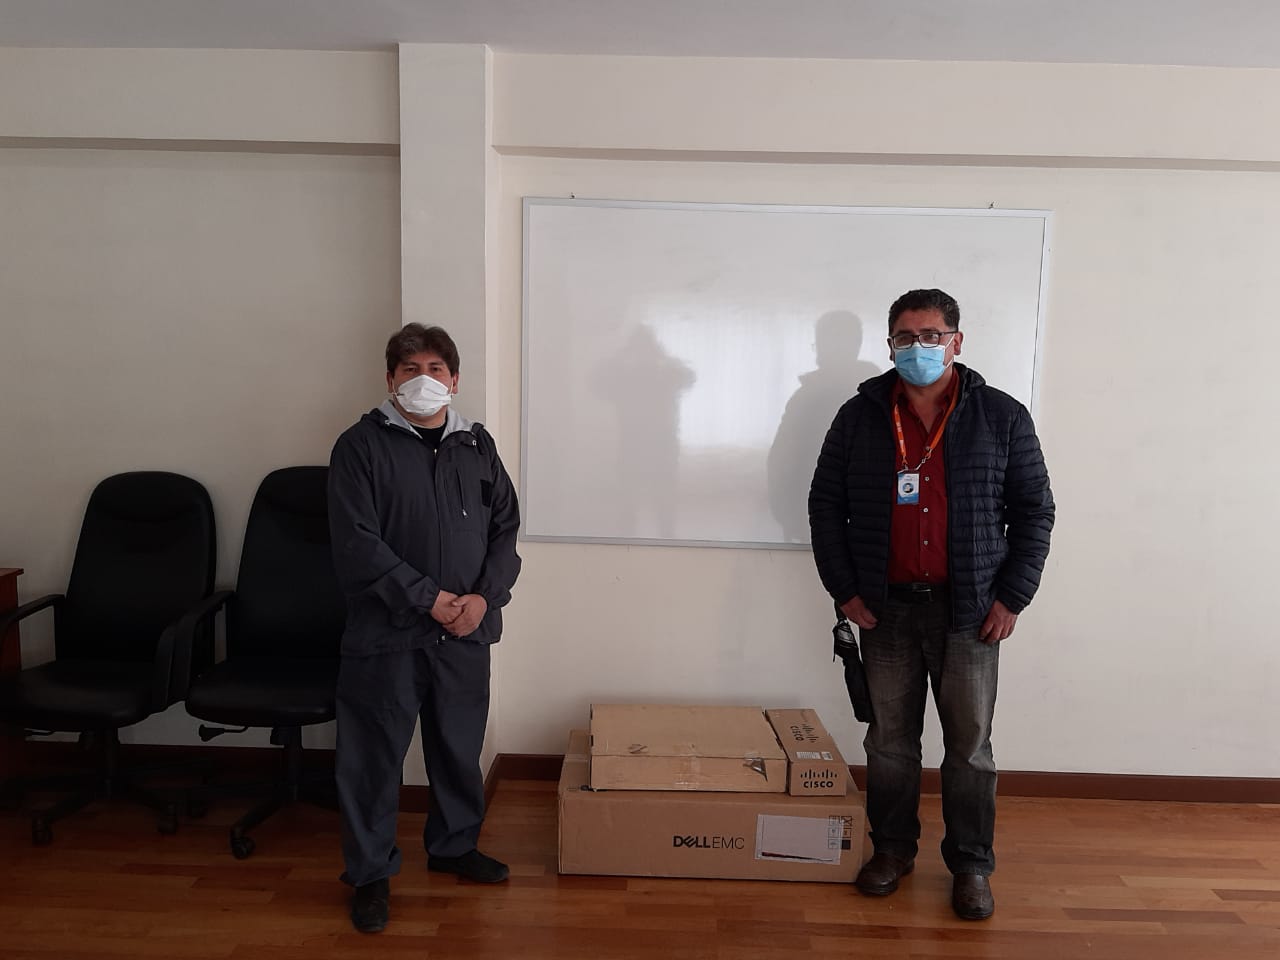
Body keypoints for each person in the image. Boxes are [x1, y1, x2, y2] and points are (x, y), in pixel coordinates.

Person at [808, 289, 1054, 921]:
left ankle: (971, 865)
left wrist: (1012, 597)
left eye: (932, 335)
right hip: (885, 610)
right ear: (888, 344)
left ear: (956, 342)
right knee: (889, 743)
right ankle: (892, 850)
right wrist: (846, 590)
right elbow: (824, 506)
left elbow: (1035, 513)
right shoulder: (860, 416)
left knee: (970, 748)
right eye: (905, 337)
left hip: (970, 613)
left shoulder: (1002, 417)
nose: (918, 347)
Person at [327, 323, 521, 933]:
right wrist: (428, 599)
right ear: (390, 380)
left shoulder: (477, 446)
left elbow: (505, 531)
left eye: (435, 368)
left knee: (459, 750)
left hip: (464, 632)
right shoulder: (360, 446)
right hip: (388, 635)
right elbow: (357, 543)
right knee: (372, 761)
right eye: (409, 369)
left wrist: (483, 600)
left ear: (455, 380)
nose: (423, 379)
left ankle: (454, 846)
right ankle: (370, 875)